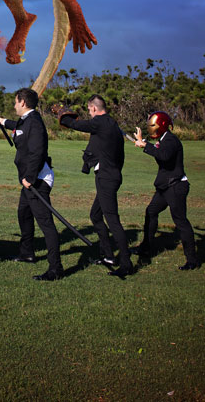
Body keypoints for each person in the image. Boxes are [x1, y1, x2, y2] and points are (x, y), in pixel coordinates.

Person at [57, 94, 133, 277]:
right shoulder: (112, 124)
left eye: (89, 110)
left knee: (113, 221)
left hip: (107, 177)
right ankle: (108, 256)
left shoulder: (99, 122)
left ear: (93, 108)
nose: (89, 113)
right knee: (96, 216)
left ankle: (126, 264)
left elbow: (75, 125)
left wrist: (62, 114)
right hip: (111, 175)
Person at [0, 87, 63, 281]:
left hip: (37, 181)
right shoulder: (26, 120)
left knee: (46, 224)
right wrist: (3, 122)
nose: (14, 104)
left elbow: (38, 151)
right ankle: (27, 253)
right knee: (24, 214)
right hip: (29, 180)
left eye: (16, 101)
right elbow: (18, 128)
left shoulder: (34, 122)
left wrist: (30, 178)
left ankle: (55, 269)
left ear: (23, 102)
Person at [131, 111, 199, 270]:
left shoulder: (171, 140)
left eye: (152, 125)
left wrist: (145, 145)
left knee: (180, 222)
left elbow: (164, 155)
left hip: (175, 187)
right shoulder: (163, 139)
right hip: (165, 187)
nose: (150, 128)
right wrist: (143, 142)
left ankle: (192, 260)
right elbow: (159, 151)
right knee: (151, 211)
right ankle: (146, 247)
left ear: (161, 125)